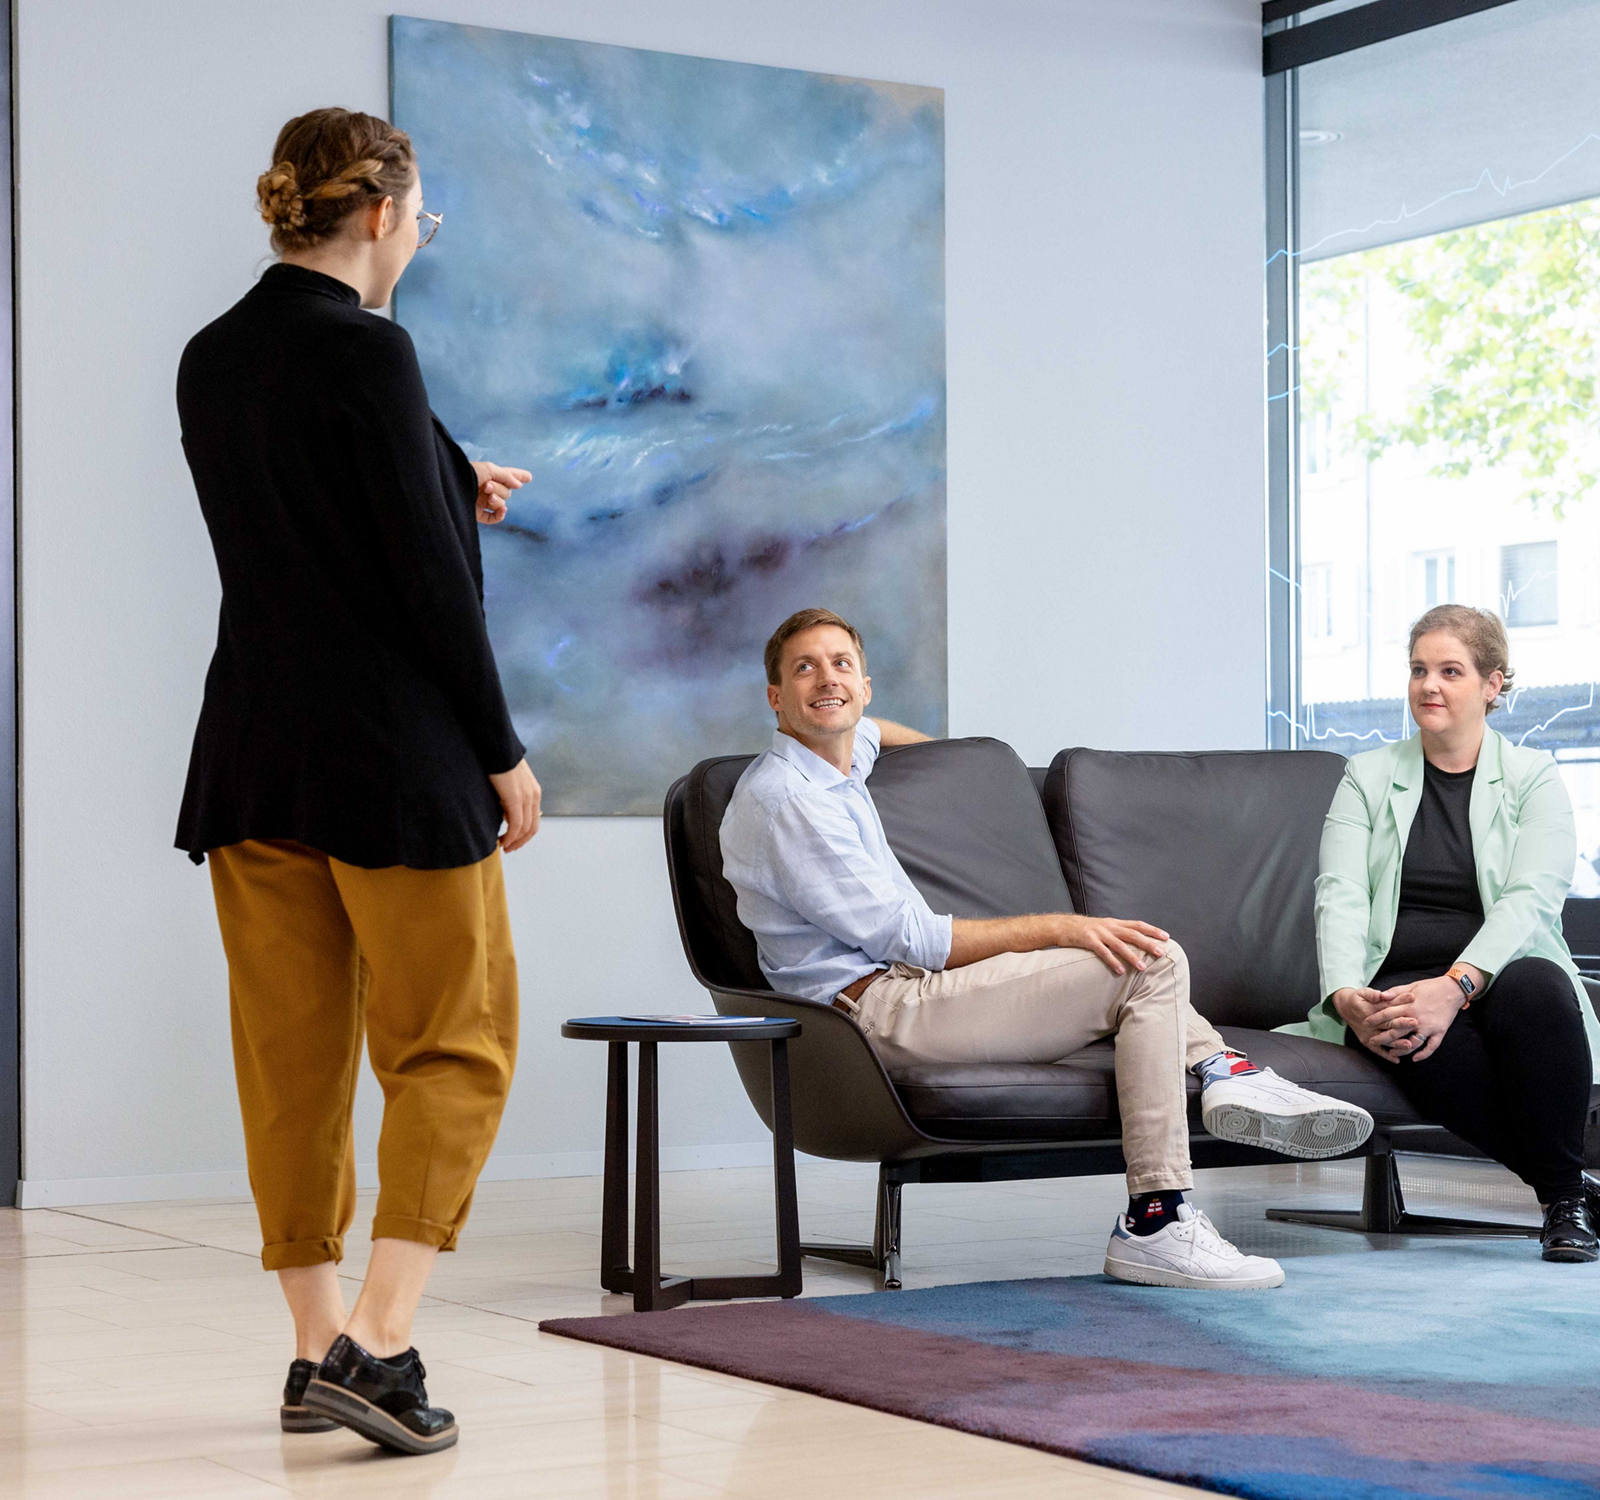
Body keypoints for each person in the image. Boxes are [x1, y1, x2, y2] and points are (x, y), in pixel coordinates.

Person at [176, 108, 542, 1454]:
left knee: (291, 1061)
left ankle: (309, 1350)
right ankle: (380, 1348)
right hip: (392, 761)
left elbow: (313, 505)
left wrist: (451, 475)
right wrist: (503, 751)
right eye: (421, 219)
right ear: (383, 213)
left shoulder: (211, 357)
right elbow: (422, 585)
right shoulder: (375, 352)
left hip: (253, 758)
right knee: (456, 1041)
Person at [720, 608, 1374, 1291]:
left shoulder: (839, 760)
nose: (826, 679)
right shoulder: (787, 801)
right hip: (875, 1015)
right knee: (1148, 962)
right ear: (775, 698)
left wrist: (952, 766)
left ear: (866, 685)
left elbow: (876, 735)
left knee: (1148, 958)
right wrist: (1065, 926)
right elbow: (914, 941)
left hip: (911, 992)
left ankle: (1224, 1074)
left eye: (841, 665)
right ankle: (1161, 1210)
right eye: (804, 669)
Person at [1301, 603, 1600, 1263]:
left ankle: (1565, 1195)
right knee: (1403, 1022)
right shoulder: (1366, 777)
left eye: (1450, 670)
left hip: (1500, 970)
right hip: (1397, 975)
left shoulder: (1534, 780)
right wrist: (1347, 994)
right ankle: (1567, 1198)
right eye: (1418, 669)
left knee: (1543, 992)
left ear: (1493, 685)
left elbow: (1531, 898)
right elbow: (1341, 893)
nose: (1428, 685)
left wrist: (1458, 984)